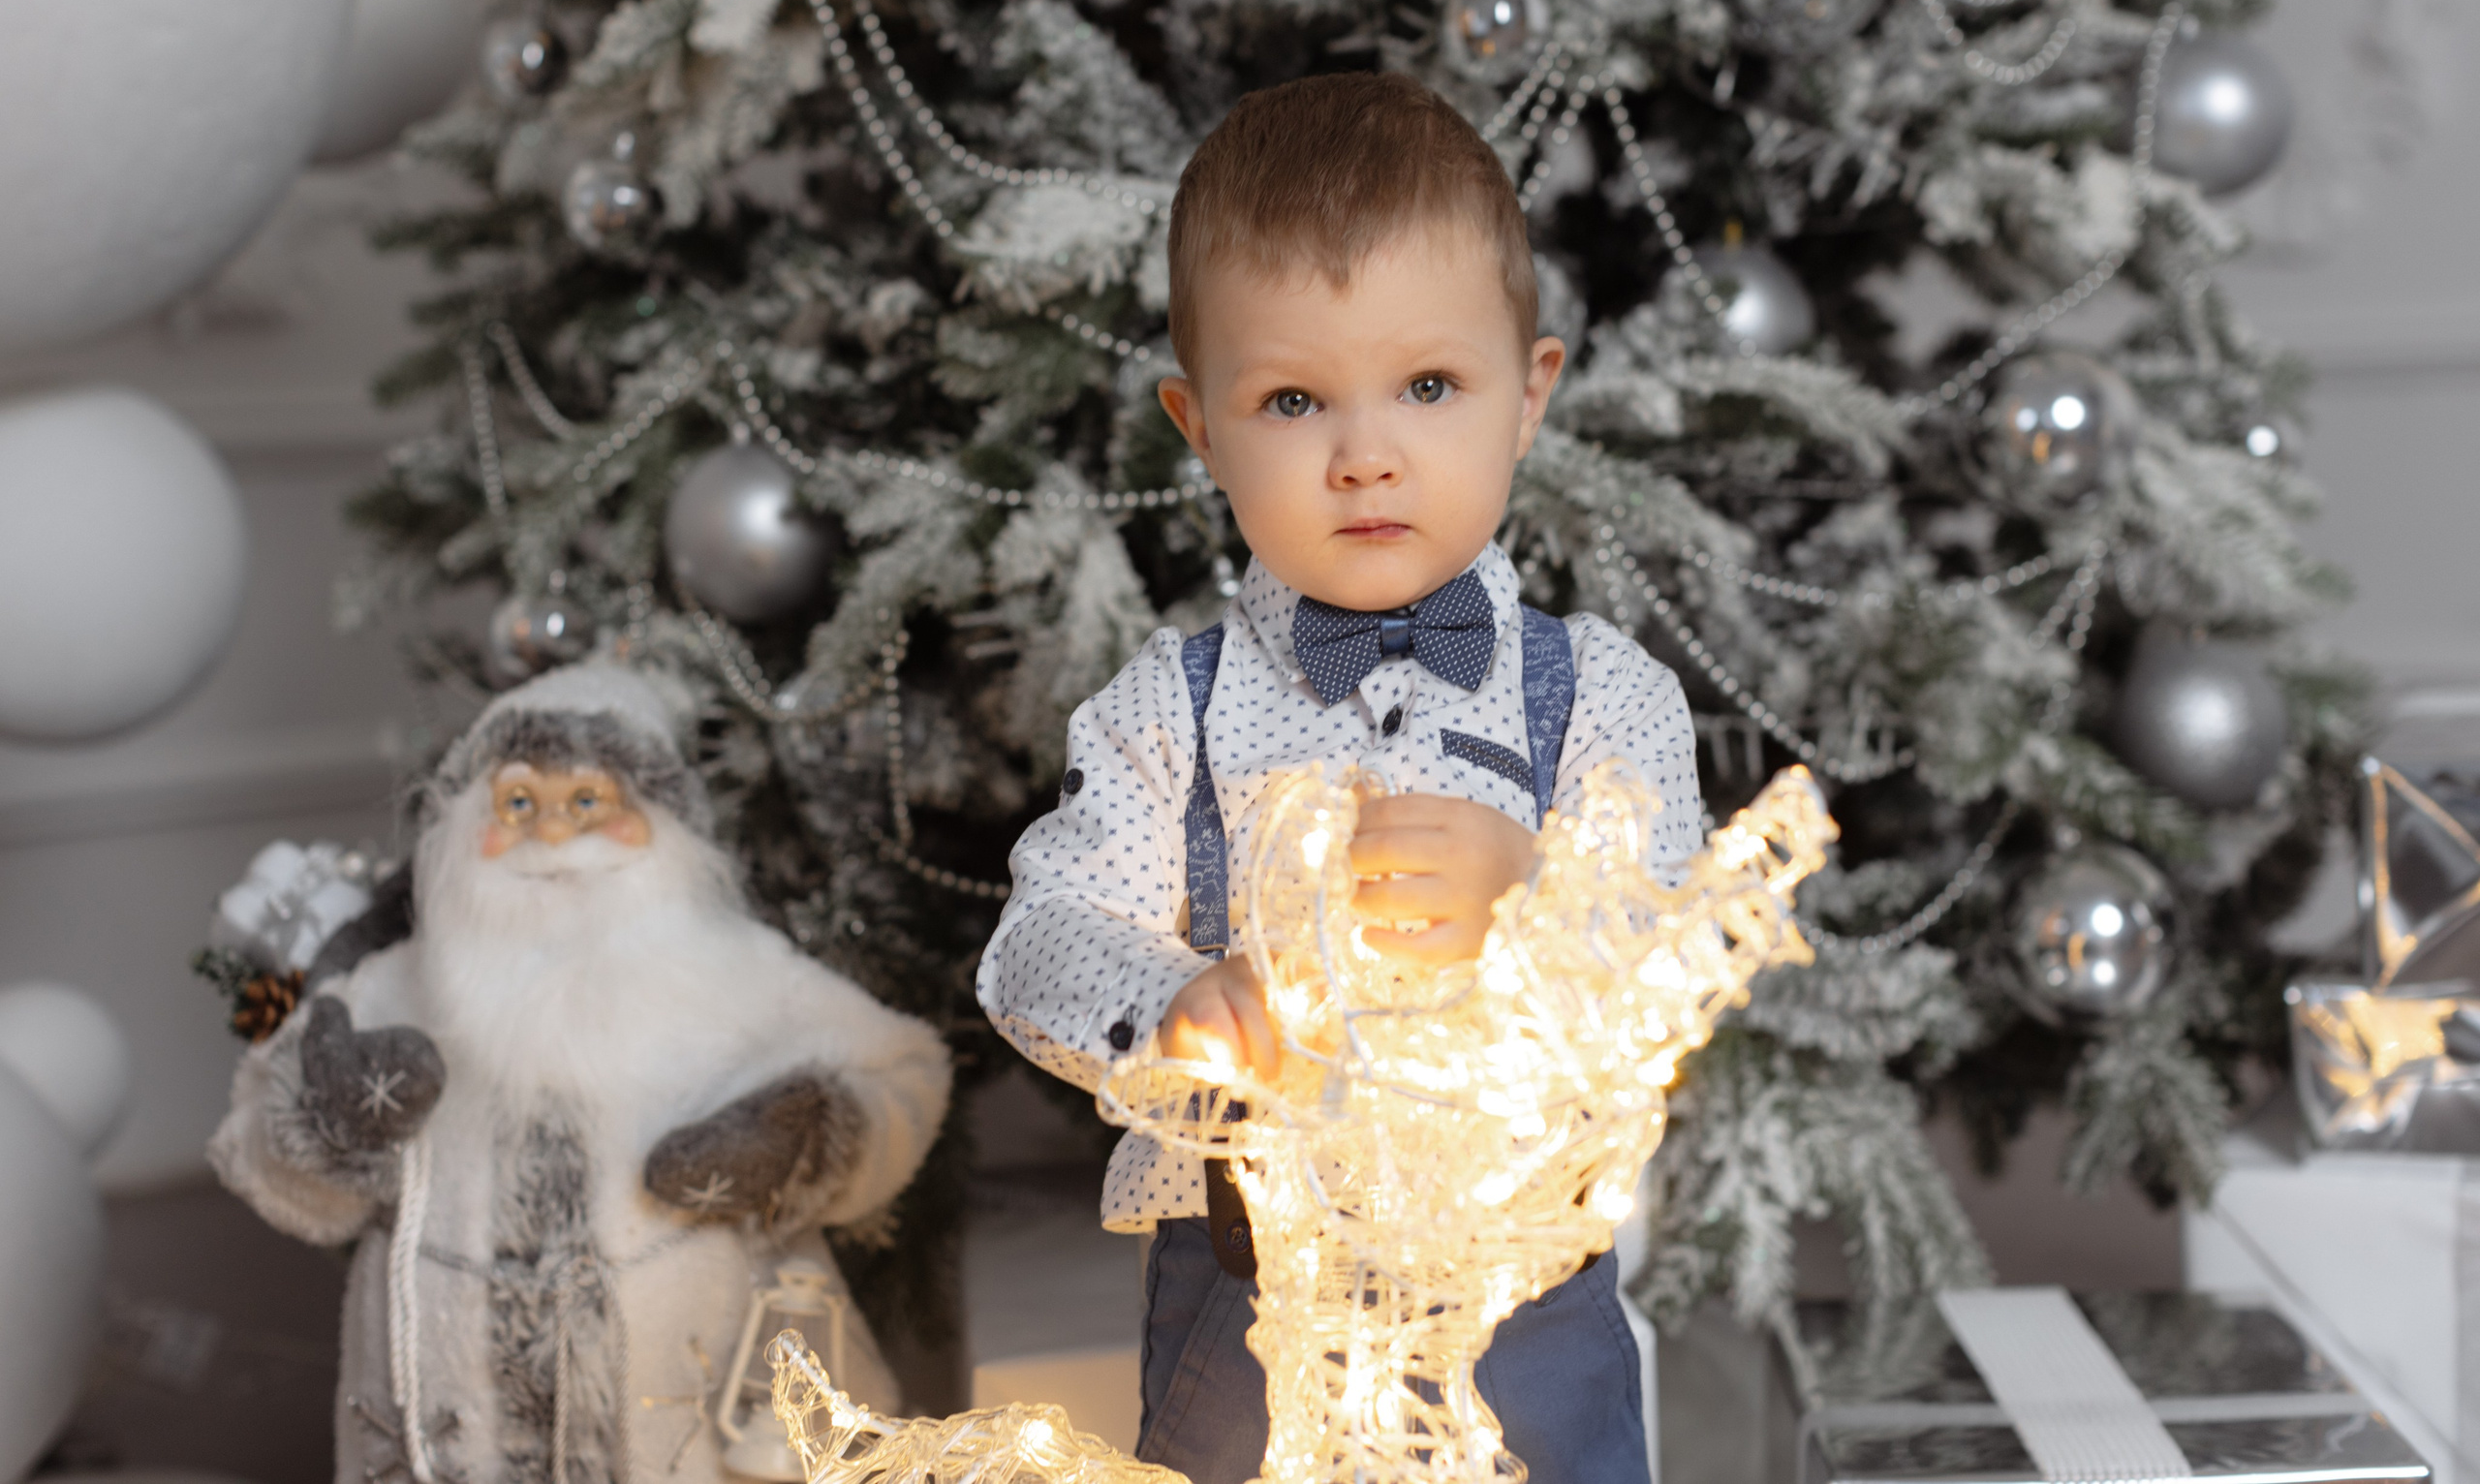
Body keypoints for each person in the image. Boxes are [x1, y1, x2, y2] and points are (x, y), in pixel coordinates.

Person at [976, 72, 1701, 1484]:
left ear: (1528, 394)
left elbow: (1677, 951)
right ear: (1200, 427)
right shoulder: (1168, 715)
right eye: (1295, 397)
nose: (1367, 454)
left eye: (1428, 386)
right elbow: (1034, 946)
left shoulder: (1603, 701)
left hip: (1520, 1292)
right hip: (1250, 1290)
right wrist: (1172, 1005)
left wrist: (1540, 893)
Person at [211, 663, 951, 1484]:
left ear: (660, 820)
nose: (555, 834)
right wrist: (328, 1130)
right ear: (461, 823)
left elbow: (904, 1071)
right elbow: (252, 1151)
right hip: (441, 1443)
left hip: (706, 1439)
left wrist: (810, 1142)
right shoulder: (393, 989)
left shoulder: (739, 977)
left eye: (589, 800)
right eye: (519, 802)